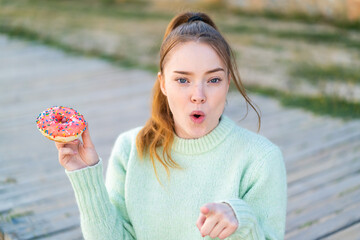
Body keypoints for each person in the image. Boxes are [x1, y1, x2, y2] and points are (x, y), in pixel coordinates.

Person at [55, 11, 287, 240]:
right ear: (163, 84)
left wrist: (241, 222)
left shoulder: (261, 159)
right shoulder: (130, 149)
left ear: (228, 83)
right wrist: (85, 178)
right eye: (183, 80)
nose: (198, 95)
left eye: (213, 80)